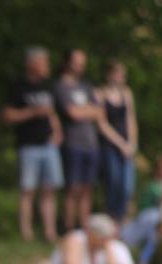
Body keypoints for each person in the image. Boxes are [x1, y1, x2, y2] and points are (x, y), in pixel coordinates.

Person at [3, 46, 64, 243]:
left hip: (49, 146)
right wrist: (32, 112)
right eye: (43, 62)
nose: (47, 66)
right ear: (32, 64)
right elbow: (8, 115)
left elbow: (51, 112)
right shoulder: (19, 87)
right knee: (27, 190)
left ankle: (49, 232)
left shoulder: (48, 86)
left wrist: (57, 131)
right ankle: (26, 232)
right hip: (28, 146)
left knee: (49, 189)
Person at [54, 48, 102, 231]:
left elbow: (100, 111)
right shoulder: (60, 86)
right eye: (77, 61)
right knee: (72, 188)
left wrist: (83, 111)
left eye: (82, 62)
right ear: (67, 62)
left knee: (87, 188)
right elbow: (72, 113)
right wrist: (87, 110)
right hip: (72, 143)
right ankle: (69, 228)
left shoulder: (86, 86)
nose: (80, 66)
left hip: (91, 144)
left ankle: (84, 228)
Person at [95, 60, 138, 221]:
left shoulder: (126, 93)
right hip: (109, 146)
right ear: (109, 74)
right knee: (113, 183)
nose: (122, 77)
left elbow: (131, 119)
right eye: (119, 73)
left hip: (127, 146)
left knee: (127, 186)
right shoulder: (99, 94)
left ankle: (121, 219)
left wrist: (131, 144)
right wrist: (120, 144)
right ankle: (110, 218)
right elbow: (102, 123)